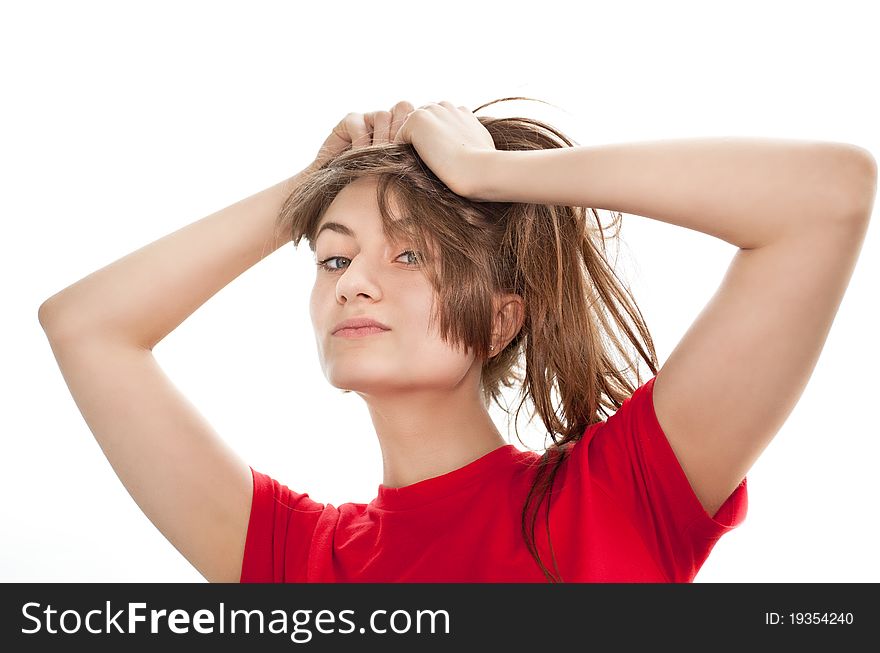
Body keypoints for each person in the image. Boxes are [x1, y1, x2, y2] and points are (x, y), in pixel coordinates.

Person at [38, 97, 876, 583]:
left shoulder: (614, 496)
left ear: (503, 318)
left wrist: (490, 175)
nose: (353, 281)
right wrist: (307, 191)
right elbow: (86, 327)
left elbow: (829, 196)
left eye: (408, 253)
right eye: (334, 255)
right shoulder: (299, 561)